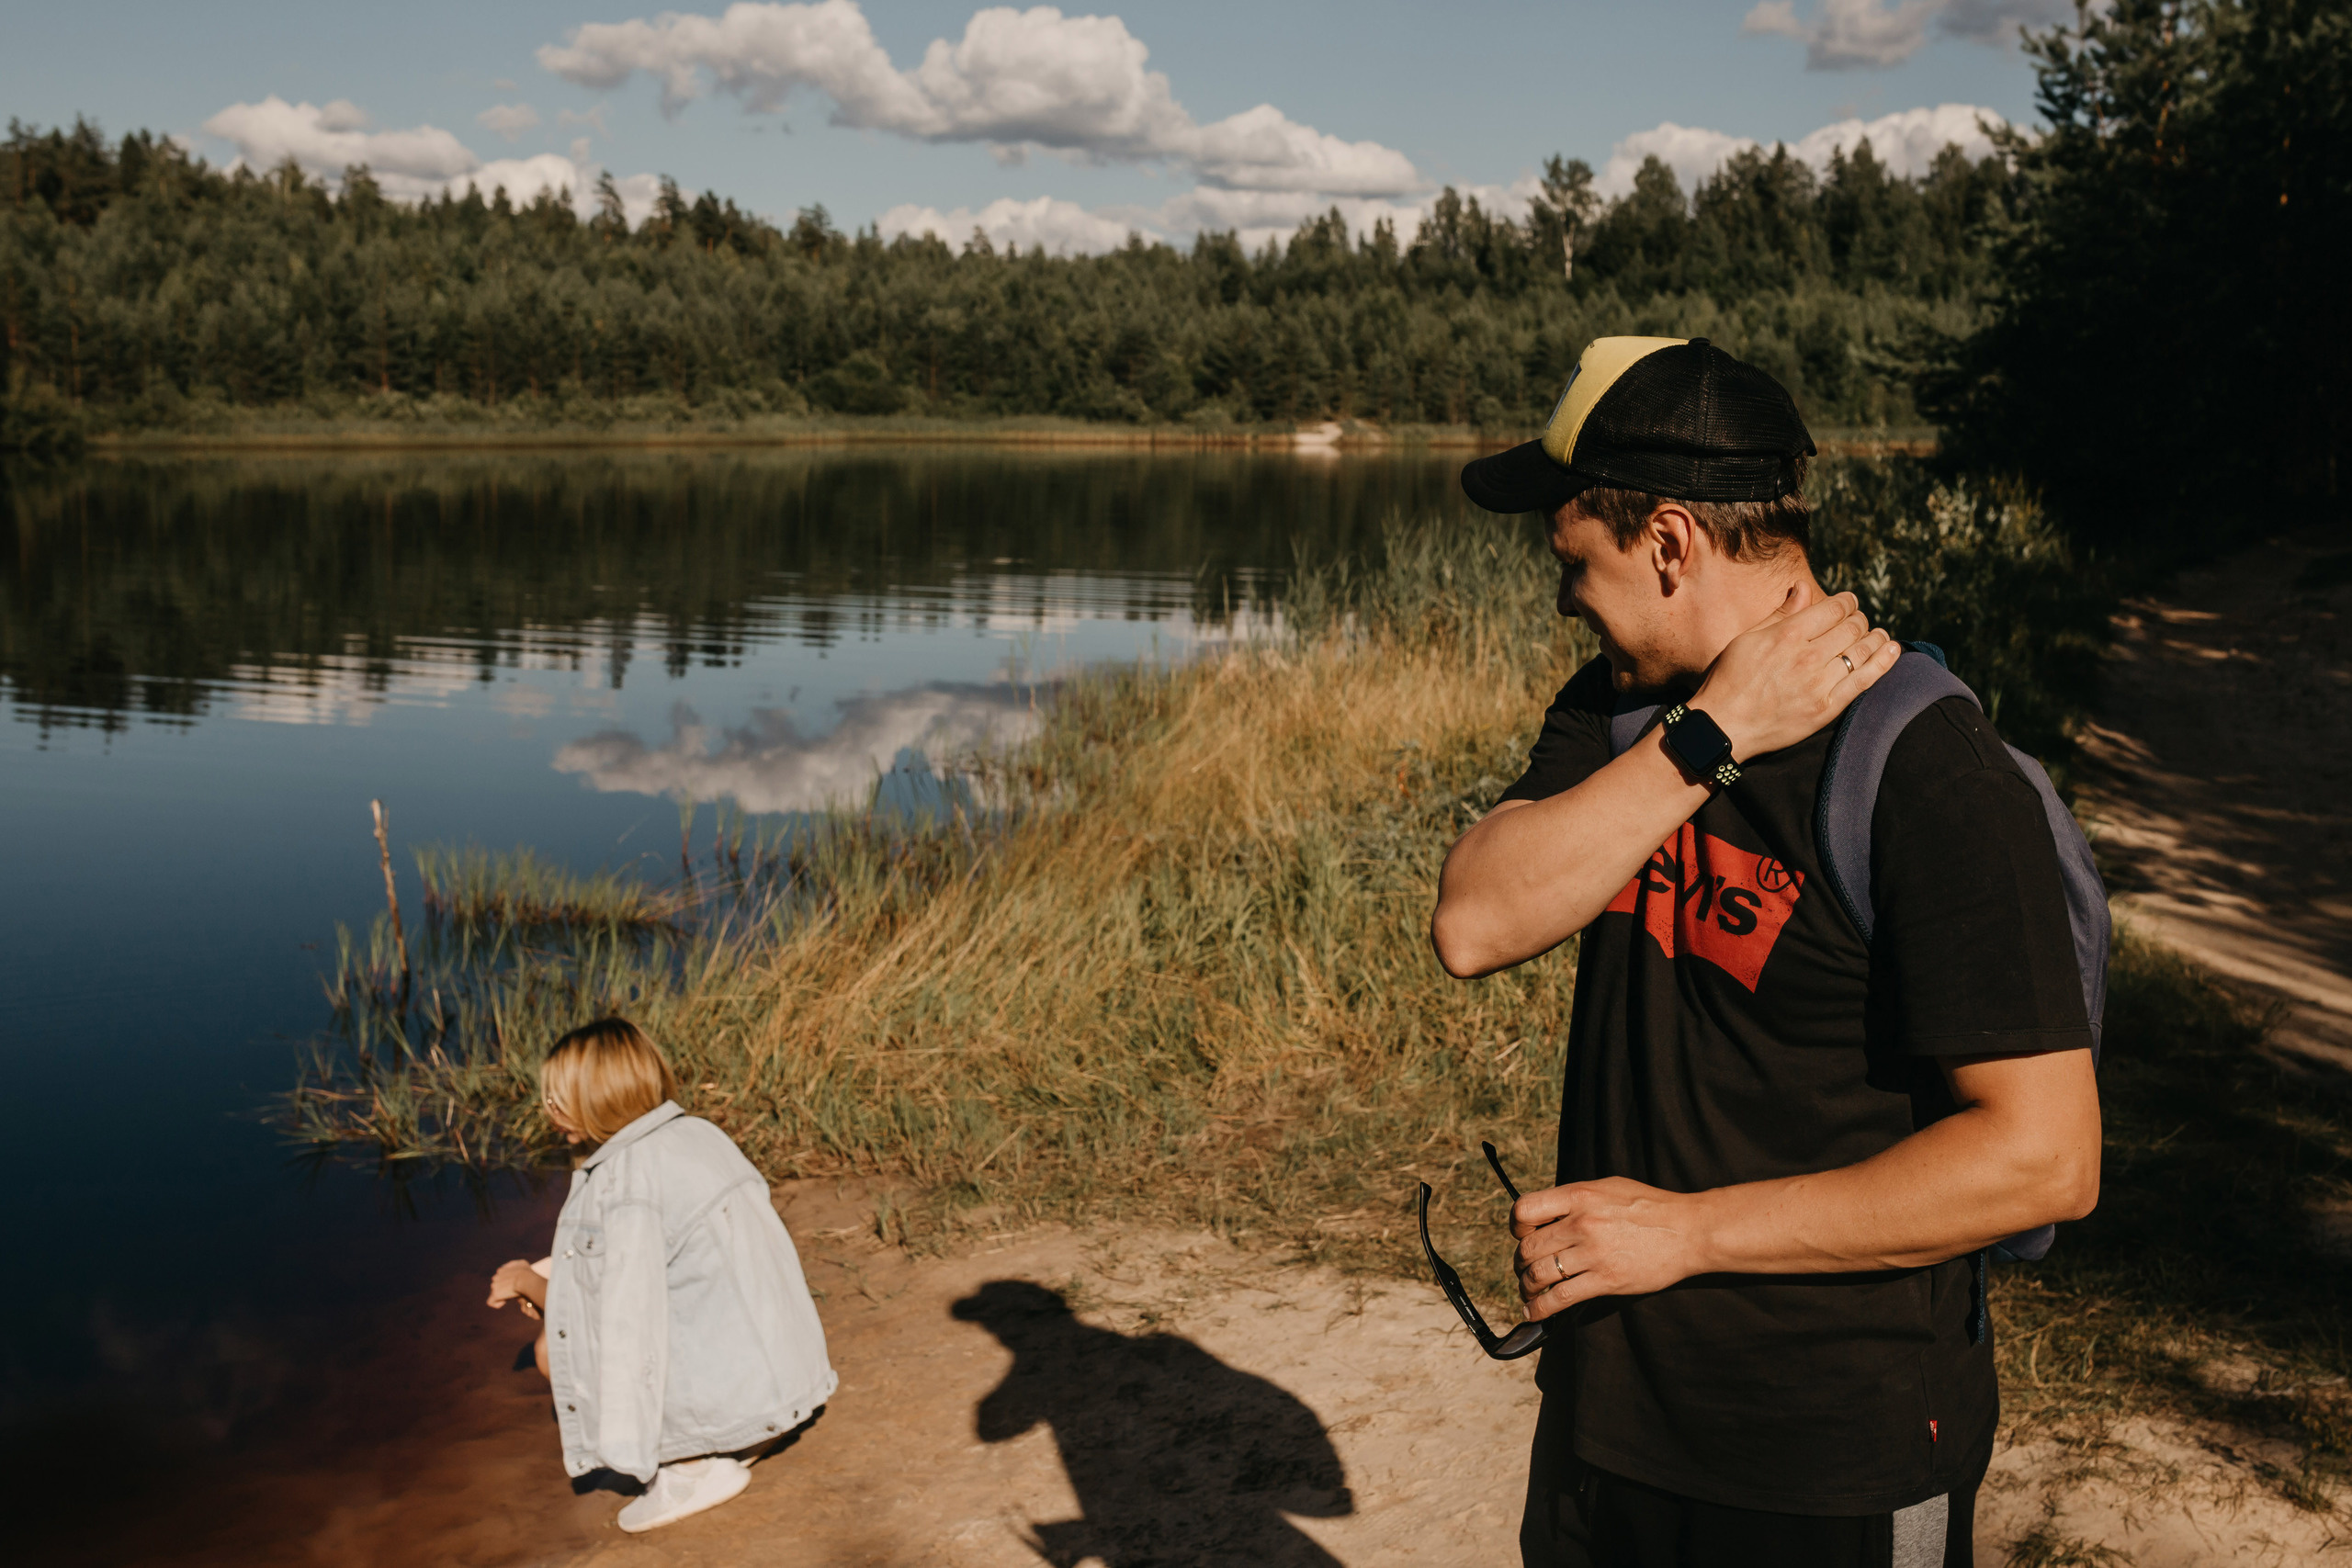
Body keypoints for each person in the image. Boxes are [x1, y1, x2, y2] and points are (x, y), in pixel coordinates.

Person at [1433, 337, 2101, 1567]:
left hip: (1835, 1452)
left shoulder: (1928, 766)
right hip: (1615, 1421)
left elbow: (2044, 1160)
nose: (1563, 594)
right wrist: (1713, 735)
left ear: (1671, 541)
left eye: (1574, 560)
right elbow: (1476, 921)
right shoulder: (1628, 715)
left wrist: (1684, 1233)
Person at [485, 1018, 836, 1534]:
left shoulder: (626, 1182)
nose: (549, 1112)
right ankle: (735, 1440)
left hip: (742, 1406)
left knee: (548, 1348)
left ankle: (689, 1469)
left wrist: (524, 1282)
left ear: (600, 1098)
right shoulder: (696, 1134)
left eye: (559, 1100)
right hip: (788, 1384)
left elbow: (623, 1316)